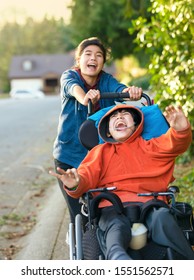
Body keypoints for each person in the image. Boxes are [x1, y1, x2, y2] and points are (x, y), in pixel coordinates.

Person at [50, 103, 194, 260]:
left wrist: (181, 130)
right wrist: (75, 183)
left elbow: (175, 143)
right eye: (113, 117)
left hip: (151, 202)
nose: (119, 116)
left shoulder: (152, 146)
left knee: (162, 218)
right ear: (108, 131)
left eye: (125, 114)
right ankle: (117, 257)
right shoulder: (99, 152)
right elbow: (86, 177)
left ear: (136, 126)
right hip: (111, 206)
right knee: (116, 226)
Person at [53, 37, 142, 224]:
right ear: (79, 60)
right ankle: (81, 243)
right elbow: (73, 89)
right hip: (70, 156)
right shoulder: (70, 76)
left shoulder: (106, 80)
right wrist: (85, 97)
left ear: (102, 62)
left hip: (100, 157)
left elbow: (120, 89)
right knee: (79, 215)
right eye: (88, 54)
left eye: (98, 55)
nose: (93, 58)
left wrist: (130, 92)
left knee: (103, 207)